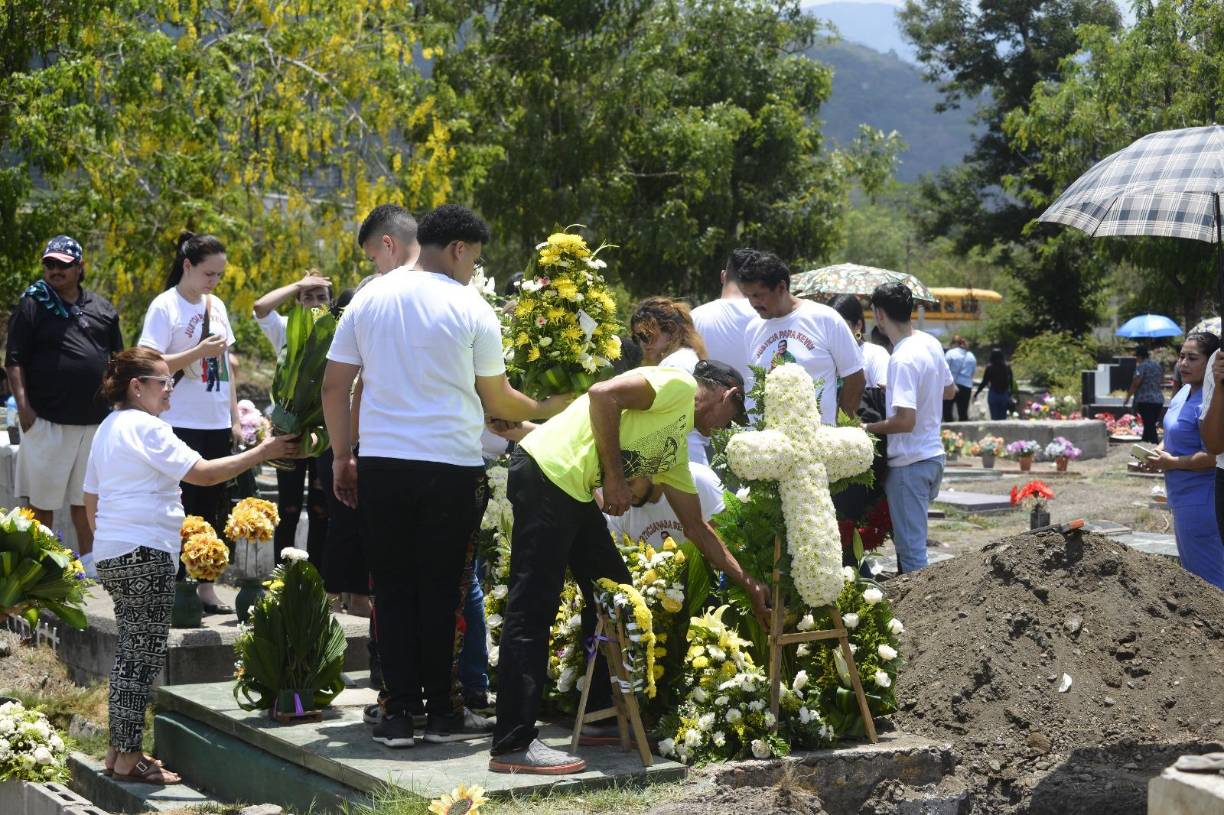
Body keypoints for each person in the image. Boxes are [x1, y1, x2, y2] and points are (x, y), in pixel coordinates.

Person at [322, 204, 570, 749]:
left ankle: (395, 712)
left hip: (383, 466)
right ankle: (442, 713)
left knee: (389, 589)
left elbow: (335, 388)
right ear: (458, 249)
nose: (471, 268)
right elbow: (498, 400)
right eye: (473, 258)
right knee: (444, 593)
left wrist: (344, 456)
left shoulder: (369, 297)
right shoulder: (471, 306)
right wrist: (555, 407)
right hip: (452, 470)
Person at [489, 360, 770, 775]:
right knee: (533, 608)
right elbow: (603, 394)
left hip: (571, 491)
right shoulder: (677, 384)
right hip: (547, 475)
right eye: (734, 414)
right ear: (728, 394)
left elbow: (698, 527)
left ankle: (600, 709)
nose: (728, 426)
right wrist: (615, 480)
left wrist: (748, 582)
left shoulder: (674, 448)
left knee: (616, 591)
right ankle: (512, 742)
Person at [83, 347, 298, 785]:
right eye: (164, 382)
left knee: (133, 651)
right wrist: (265, 451)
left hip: (117, 548)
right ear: (136, 387)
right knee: (138, 656)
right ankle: (126, 756)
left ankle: (117, 751)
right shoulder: (146, 427)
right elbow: (203, 474)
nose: (171, 389)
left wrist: (110, 539)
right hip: (142, 550)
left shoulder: (109, 427)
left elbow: (91, 498)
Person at [5, 236, 123, 576]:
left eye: (63, 265)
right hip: (47, 421)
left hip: (94, 423)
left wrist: (119, 406)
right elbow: (14, 360)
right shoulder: (33, 304)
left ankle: (90, 565)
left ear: (79, 267)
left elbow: (117, 361)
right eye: (49, 264)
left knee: (85, 501)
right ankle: (42, 568)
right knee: (42, 503)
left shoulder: (102, 308)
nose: (55, 271)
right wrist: (25, 408)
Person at [137, 232, 242, 614]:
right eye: (207, 273)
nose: (213, 282)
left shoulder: (217, 306)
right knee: (178, 503)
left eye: (218, 275)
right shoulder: (165, 307)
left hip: (214, 418)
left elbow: (226, 367)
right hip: (178, 419)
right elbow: (150, 364)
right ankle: (172, 584)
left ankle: (207, 585)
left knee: (213, 505)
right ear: (187, 266)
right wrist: (197, 350)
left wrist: (233, 416)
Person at [864, 283, 955, 574]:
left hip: (909, 465)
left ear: (879, 314)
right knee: (912, 545)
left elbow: (905, 421)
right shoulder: (929, 343)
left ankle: (921, 619)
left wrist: (865, 426)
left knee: (912, 554)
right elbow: (950, 391)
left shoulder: (901, 358)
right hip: (932, 457)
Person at [251, 272, 334, 567]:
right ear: (297, 300)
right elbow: (260, 308)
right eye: (307, 297)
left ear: (330, 302)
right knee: (287, 508)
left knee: (320, 508)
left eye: (321, 297)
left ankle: (316, 581)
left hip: (323, 433)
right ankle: (282, 580)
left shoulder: (338, 330)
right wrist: (298, 284)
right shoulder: (286, 328)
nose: (314, 303)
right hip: (288, 430)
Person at [739, 252, 865, 425]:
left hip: (819, 445)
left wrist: (839, 430)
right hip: (770, 446)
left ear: (781, 287)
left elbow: (855, 378)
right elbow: (752, 387)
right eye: (748, 296)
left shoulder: (825, 319)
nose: (753, 303)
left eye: (758, 295)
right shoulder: (752, 329)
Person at [1144, 332, 1224, 590]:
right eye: (1181, 356)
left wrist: (1173, 462)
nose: (1184, 364)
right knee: (1193, 572)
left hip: (1202, 501)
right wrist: (1158, 452)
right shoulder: (1183, 393)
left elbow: (1215, 455)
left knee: (1209, 579)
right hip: (1179, 497)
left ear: (1212, 362)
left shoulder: (1212, 402)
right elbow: (1173, 433)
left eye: (1192, 358)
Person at [630, 296, 710, 464]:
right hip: (686, 454)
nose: (643, 344)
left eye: (646, 336)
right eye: (637, 339)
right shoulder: (685, 358)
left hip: (683, 457)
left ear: (671, 329)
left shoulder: (675, 364)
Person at [605, 461, 725, 547]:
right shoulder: (617, 507)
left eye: (630, 483)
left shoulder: (698, 479)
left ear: (649, 470)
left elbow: (725, 538)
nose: (622, 493)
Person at [691, 248, 760, 387]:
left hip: (708, 406)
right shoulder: (768, 317)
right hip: (760, 407)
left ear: (723, 276)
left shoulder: (694, 317)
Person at [828, 294, 889, 389]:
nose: (832, 332)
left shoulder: (875, 355)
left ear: (858, 325)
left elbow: (883, 397)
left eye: (840, 326)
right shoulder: (823, 356)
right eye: (827, 326)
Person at [1124, 346, 1164, 444]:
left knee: (1149, 425)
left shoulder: (1141, 366)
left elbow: (1135, 383)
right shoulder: (1157, 365)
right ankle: (1144, 442)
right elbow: (1161, 380)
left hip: (1145, 400)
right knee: (1149, 424)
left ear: (1139, 356)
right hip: (1158, 399)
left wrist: (1128, 397)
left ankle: (1154, 444)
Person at [975, 348, 1015, 420]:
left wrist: (977, 393)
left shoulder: (990, 367)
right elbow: (1011, 381)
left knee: (994, 418)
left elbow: (984, 382)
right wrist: (1011, 393)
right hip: (1004, 394)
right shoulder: (1007, 367)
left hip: (993, 393)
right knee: (1003, 417)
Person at [944, 336, 976, 422]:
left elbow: (944, 370)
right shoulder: (970, 355)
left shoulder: (950, 353)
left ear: (953, 344)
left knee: (947, 411)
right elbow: (972, 373)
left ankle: (948, 432)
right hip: (966, 386)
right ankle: (963, 433)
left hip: (951, 385)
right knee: (963, 412)